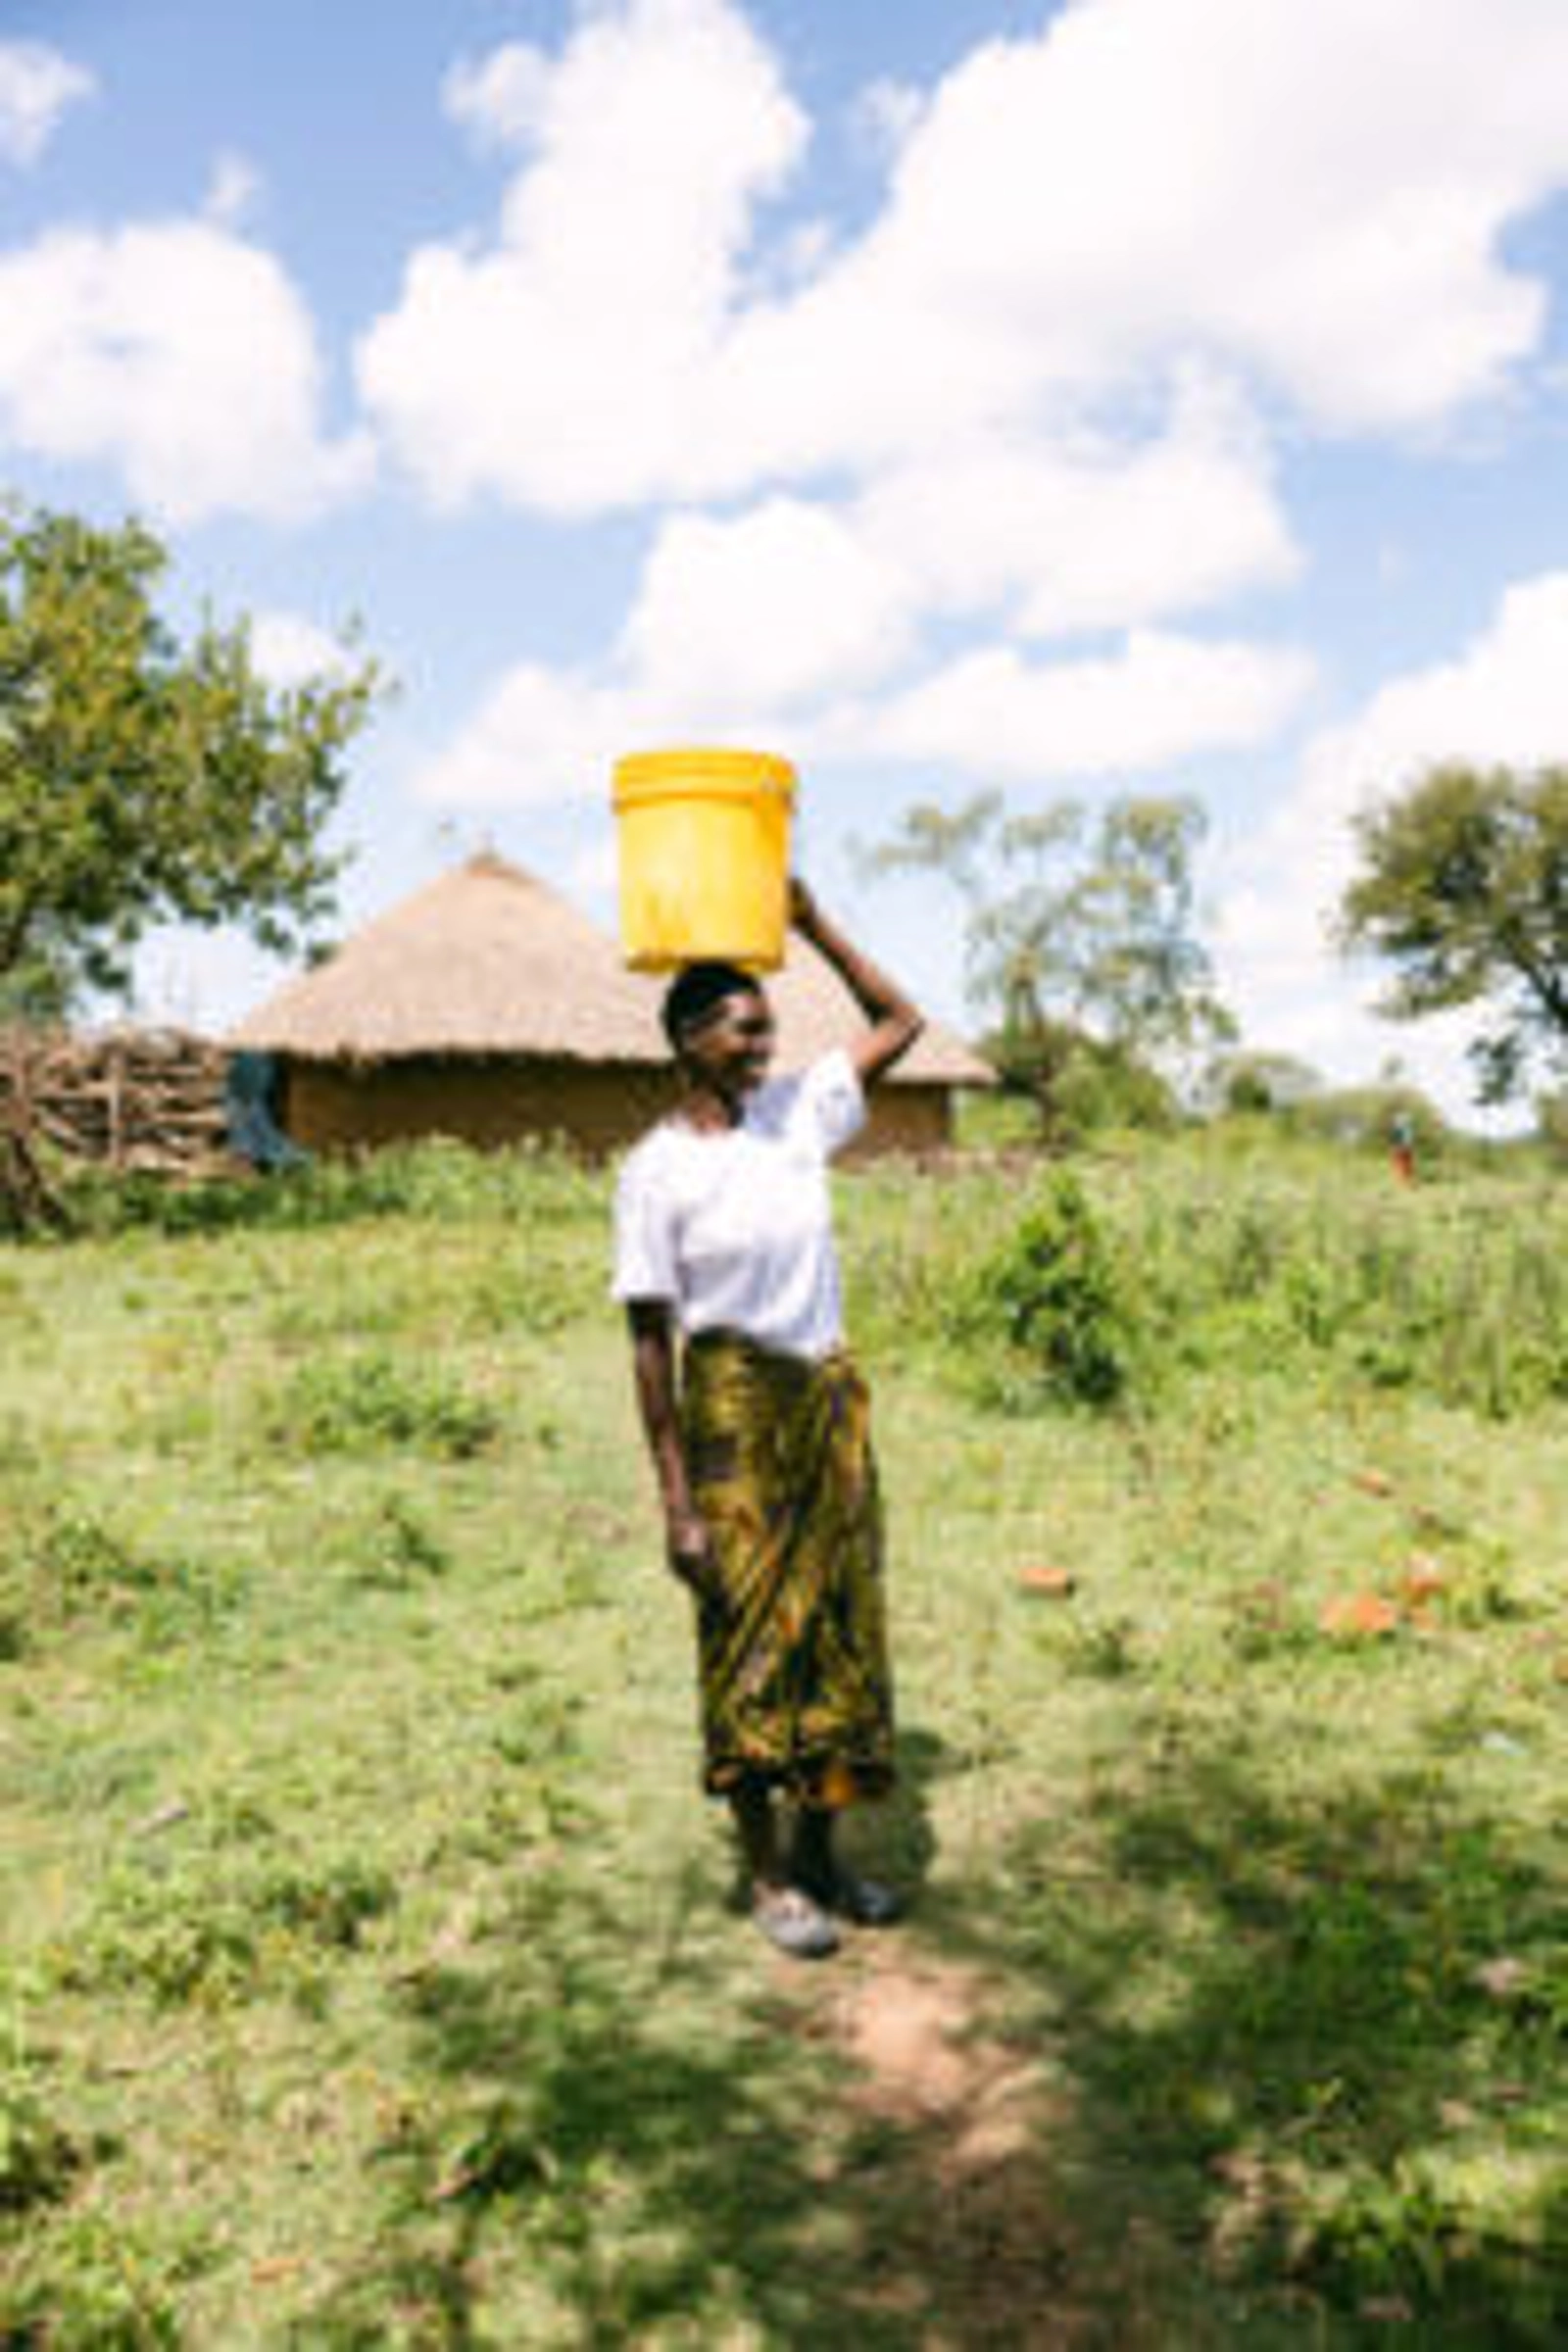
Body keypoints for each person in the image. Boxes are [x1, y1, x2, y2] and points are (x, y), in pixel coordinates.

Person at [612, 878, 924, 1960]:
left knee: (839, 1630)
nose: (764, 1045)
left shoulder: (798, 1115)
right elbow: (649, 1341)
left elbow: (902, 1022)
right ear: (688, 1040)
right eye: (744, 1030)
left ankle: (824, 1854)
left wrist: (813, 922)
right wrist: (676, 1504)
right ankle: (768, 1876)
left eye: (767, 1028)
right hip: (731, 1417)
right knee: (746, 1636)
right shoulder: (655, 1172)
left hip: (825, 1407)